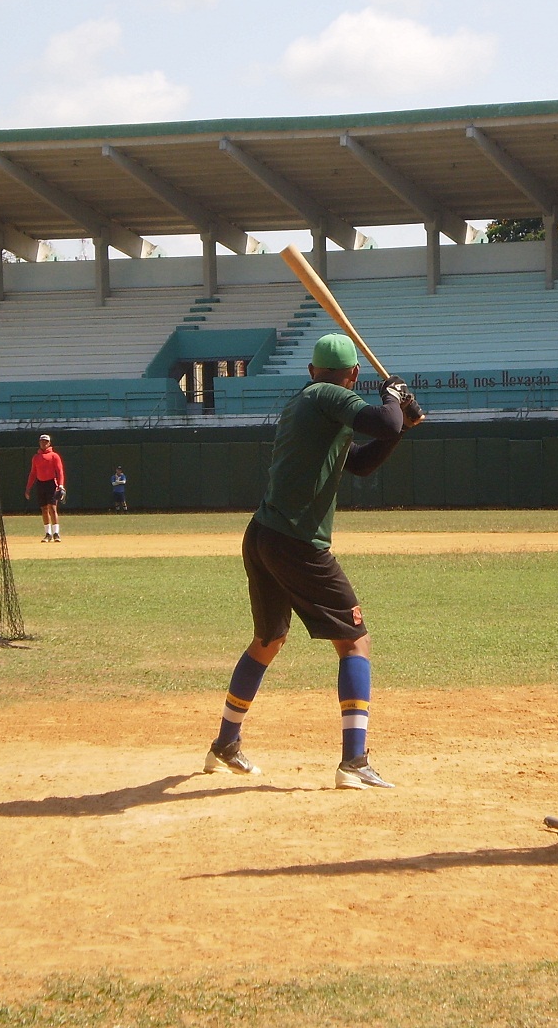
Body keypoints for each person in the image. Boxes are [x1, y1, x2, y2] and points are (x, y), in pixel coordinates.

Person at [203, 333, 423, 790]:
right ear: (355, 375)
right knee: (355, 642)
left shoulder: (309, 405)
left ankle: (225, 744)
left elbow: (361, 461)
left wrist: (399, 421)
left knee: (268, 639)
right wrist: (394, 397)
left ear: (311, 370)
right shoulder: (330, 396)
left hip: (264, 534)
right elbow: (381, 421)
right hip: (297, 541)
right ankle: (354, 762)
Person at [25, 434, 66, 541]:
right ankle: (48, 534)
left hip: (51, 483)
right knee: (44, 509)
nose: (43, 443)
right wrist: (28, 488)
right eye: (42, 441)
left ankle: (56, 533)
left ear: (49, 443)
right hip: (40, 484)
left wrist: (61, 485)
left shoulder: (54, 456)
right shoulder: (36, 457)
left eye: (46, 441)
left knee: (52, 508)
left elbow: (60, 471)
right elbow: (33, 473)